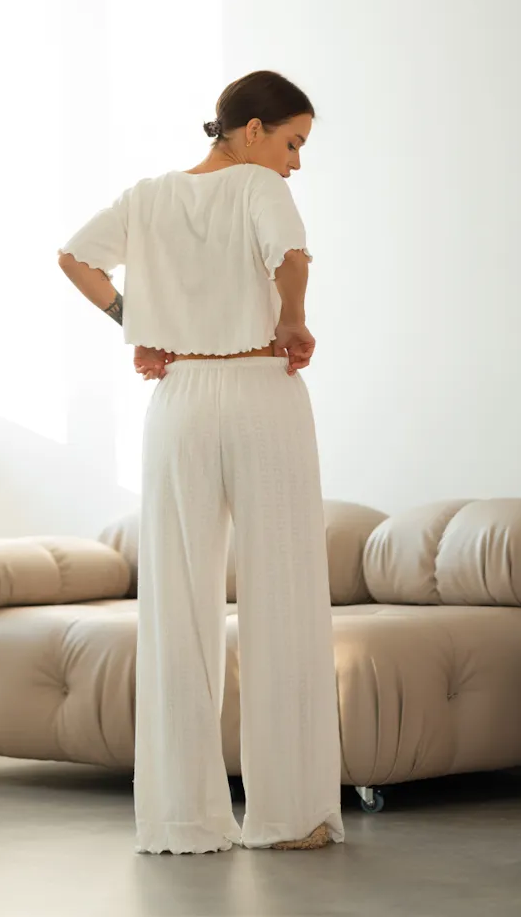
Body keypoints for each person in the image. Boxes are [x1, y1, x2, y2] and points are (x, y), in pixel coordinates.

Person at [58, 70, 343, 855]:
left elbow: (75, 258)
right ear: (252, 131)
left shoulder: (149, 196)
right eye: (293, 143)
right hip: (260, 393)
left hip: (178, 398)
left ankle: (182, 820)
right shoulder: (258, 184)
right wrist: (293, 322)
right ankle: (290, 817)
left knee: (177, 602)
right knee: (282, 592)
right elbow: (291, 257)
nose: (294, 162)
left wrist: (139, 323)